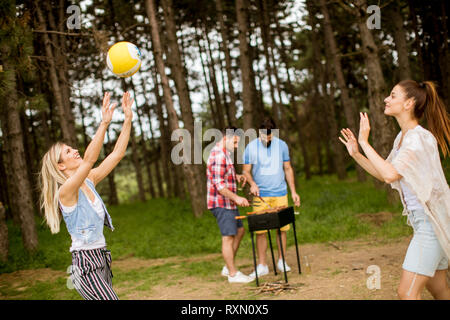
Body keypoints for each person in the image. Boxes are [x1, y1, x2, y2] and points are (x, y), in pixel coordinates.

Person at [339, 80, 450, 300]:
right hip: (425, 224)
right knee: (439, 290)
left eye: (392, 95)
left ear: (408, 103)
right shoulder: (403, 138)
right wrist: (356, 154)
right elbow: (385, 174)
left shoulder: (418, 139)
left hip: (432, 226)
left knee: (406, 294)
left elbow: (389, 173)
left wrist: (364, 141)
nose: (385, 99)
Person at [39, 91, 133, 300]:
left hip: (101, 258)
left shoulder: (89, 179)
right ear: (60, 166)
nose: (74, 151)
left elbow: (116, 155)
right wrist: (104, 124)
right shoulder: (66, 192)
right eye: (67, 152)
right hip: (84, 265)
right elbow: (90, 159)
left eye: (72, 148)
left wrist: (127, 120)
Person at [242, 118, 301, 277]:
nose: (265, 140)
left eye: (268, 138)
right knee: (260, 231)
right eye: (263, 137)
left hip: (280, 193)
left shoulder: (282, 145)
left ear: (273, 134)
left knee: (282, 229)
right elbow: (246, 171)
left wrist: (293, 191)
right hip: (261, 196)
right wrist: (252, 183)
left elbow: (288, 169)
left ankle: (282, 260)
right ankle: (262, 265)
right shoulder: (251, 147)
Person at [206, 127, 254, 283]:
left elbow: (224, 176)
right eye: (234, 142)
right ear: (226, 137)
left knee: (240, 231)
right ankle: (233, 274)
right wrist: (237, 198)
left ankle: (228, 267)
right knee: (228, 237)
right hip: (222, 204)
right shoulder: (218, 155)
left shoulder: (224, 154)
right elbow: (219, 186)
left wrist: (237, 176)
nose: (236, 146)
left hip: (229, 203)